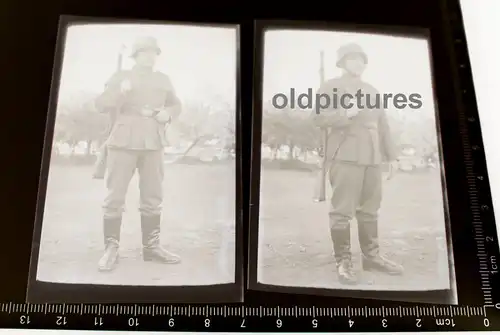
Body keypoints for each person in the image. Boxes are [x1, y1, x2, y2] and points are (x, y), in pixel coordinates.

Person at [314, 43, 404, 285]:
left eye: (361, 59)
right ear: (342, 62)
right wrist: (346, 113)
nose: (358, 63)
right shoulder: (331, 87)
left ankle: (372, 257)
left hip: (372, 157)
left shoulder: (372, 91)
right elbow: (318, 118)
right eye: (352, 59)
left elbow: (383, 125)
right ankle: (343, 260)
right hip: (345, 155)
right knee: (342, 212)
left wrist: (391, 156)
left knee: (370, 210)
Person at [94, 36, 182, 272]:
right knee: (114, 197)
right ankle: (111, 248)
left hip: (153, 140)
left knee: (153, 196)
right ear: (135, 56)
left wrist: (168, 113)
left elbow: (176, 104)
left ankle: (151, 247)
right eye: (144, 52)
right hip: (123, 140)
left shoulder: (163, 79)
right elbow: (101, 104)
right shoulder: (120, 77)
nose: (150, 56)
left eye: (153, 52)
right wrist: (120, 93)